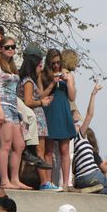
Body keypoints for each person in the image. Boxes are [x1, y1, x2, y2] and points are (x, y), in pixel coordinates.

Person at [0, 36, 31, 190]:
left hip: (14, 108)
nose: (11, 49)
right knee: (5, 144)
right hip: (1, 106)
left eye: (13, 46)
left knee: (19, 145)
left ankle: (15, 179)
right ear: (0, 49)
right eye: (7, 47)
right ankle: (4, 180)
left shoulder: (13, 67)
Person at [18, 44, 59, 190]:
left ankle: (44, 182)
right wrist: (42, 102)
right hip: (34, 118)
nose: (41, 63)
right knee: (39, 151)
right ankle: (44, 182)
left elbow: (38, 94)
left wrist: (46, 86)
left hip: (37, 117)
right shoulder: (28, 81)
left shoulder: (31, 79)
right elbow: (29, 101)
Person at [73, 84, 107, 195]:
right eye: (77, 124)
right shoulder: (80, 136)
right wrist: (93, 94)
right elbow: (89, 115)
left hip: (80, 180)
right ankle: (97, 191)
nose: (79, 125)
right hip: (91, 175)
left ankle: (91, 189)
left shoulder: (70, 143)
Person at [41, 49, 76, 189]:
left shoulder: (68, 75)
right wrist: (51, 83)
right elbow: (41, 95)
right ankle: (49, 183)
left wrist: (67, 82)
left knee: (65, 150)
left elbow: (72, 97)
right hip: (50, 111)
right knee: (48, 151)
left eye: (58, 62)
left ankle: (65, 182)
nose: (56, 66)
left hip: (63, 111)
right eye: (53, 63)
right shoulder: (44, 75)